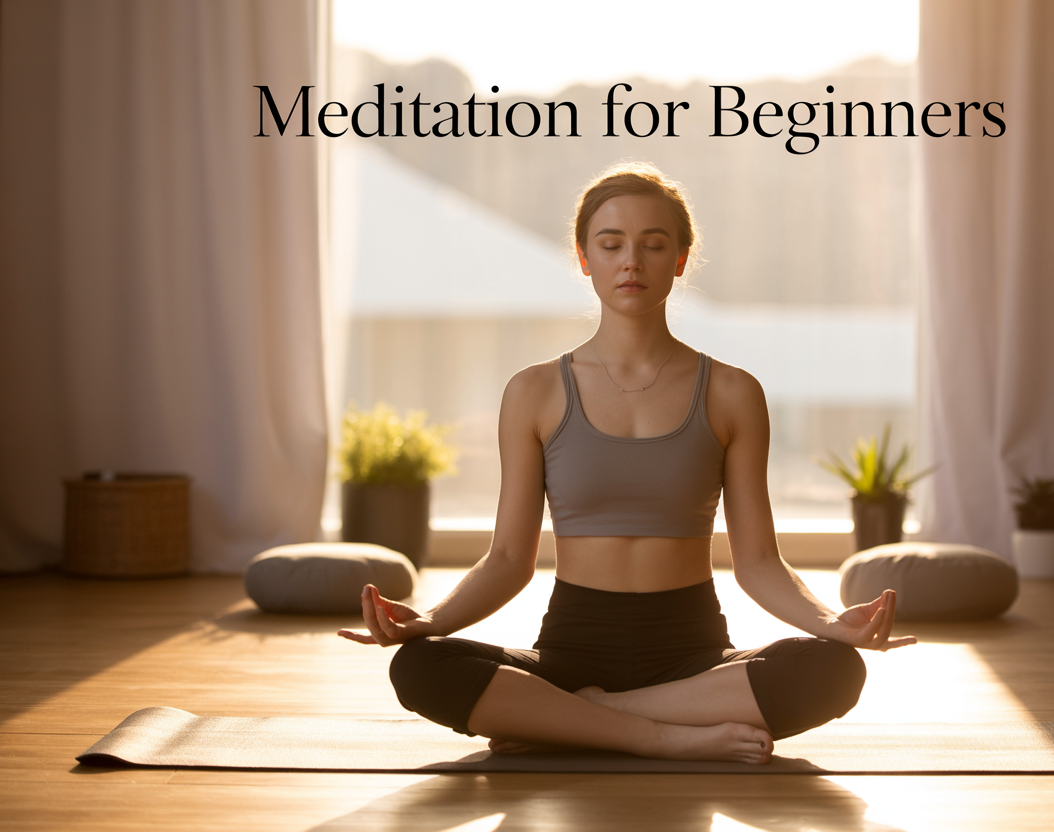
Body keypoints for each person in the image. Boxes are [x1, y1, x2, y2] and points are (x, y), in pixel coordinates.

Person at [338, 162, 915, 765]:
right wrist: (428, 619)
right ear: (585, 259)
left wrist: (831, 623)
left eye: (653, 244)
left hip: (693, 658)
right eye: (610, 244)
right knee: (421, 666)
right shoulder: (534, 392)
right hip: (570, 651)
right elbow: (508, 559)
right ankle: (664, 736)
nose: (631, 262)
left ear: (681, 259)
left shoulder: (732, 393)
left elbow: (760, 563)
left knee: (833, 669)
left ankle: (574, 721)